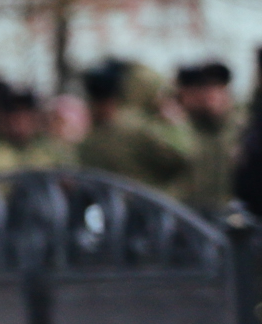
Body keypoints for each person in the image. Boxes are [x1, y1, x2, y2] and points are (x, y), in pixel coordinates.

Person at [78, 61, 194, 197]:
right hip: (150, 206)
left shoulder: (96, 129)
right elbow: (183, 158)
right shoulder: (141, 128)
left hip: (114, 204)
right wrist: (174, 125)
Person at [176, 61, 241, 216]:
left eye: (219, 87)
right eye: (205, 88)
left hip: (233, 216)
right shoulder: (184, 129)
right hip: (192, 215)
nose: (211, 95)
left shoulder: (242, 129)